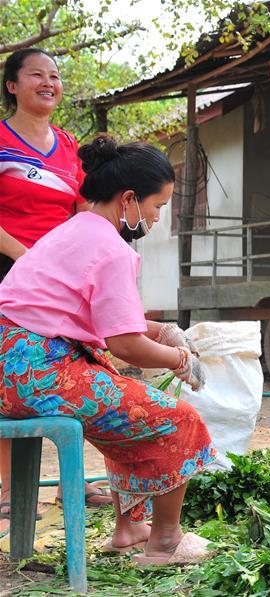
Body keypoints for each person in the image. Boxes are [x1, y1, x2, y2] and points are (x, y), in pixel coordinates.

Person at [0, 135, 215, 564]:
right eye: (156, 206)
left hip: (9, 369)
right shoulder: (112, 249)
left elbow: (101, 318)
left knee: (121, 401)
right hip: (38, 375)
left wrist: (163, 331)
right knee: (178, 420)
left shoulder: (71, 231)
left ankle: (129, 528)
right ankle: (166, 540)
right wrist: (181, 360)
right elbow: (125, 344)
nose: (155, 218)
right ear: (129, 199)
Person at [1, 47, 111, 518]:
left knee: (74, 366)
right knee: (9, 373)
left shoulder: (68, 145)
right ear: (12, 85)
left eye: (55, 75)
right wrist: (24, 257)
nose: (49, 82)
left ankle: (73, 481)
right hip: (8, 271)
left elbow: (83, 211)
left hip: (59, 278)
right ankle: (9, 489)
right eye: (36, 75)